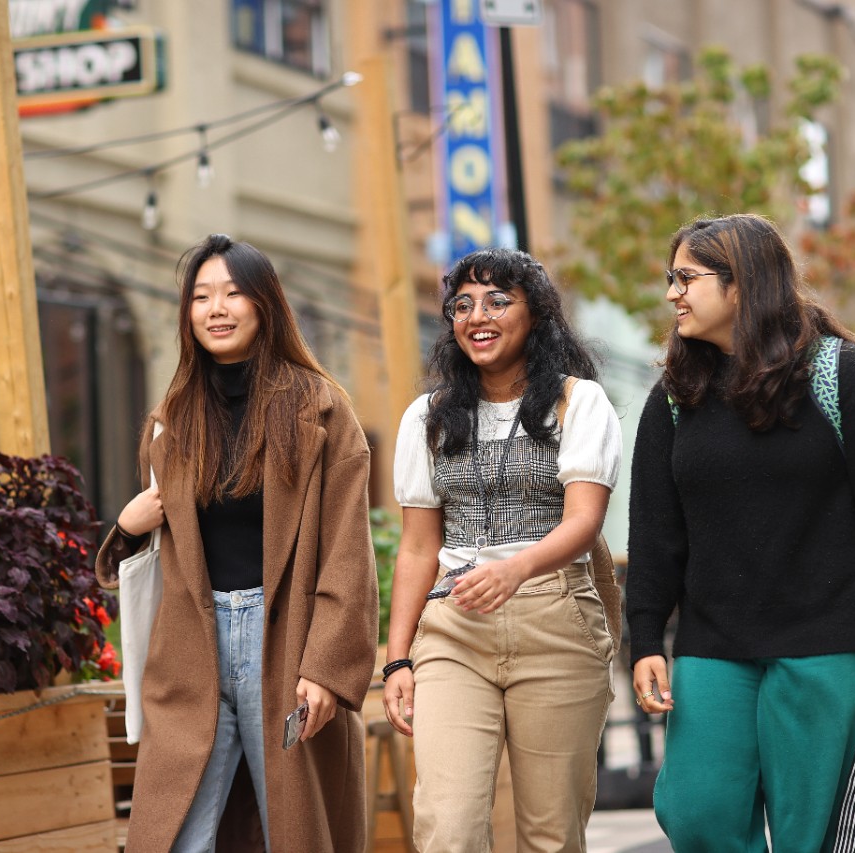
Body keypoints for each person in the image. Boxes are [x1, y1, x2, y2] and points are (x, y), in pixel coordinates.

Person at [95, 234, 378, 853]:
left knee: (291, 830)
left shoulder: (322, 411)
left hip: (288, 641)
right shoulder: (171, 421)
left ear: (264, 305)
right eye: (200, 296)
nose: (215, 308)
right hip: (192, 646)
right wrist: (128, 525)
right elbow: (151, 555)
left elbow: (349, 555)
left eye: (232, 292)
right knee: (176, 834)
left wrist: (326, 668)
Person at [628, 213, 855, 852]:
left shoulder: (844, 378)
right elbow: (655, 530)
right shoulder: (675, 396)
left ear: (743, 284)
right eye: (672, 279)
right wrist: (644, 637)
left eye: (686, 278)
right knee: (697, 811)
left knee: (813, 836)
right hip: (714, 646)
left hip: (831, 642)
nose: (673, 294)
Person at [383, 247, 622, 851]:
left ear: (536, 316)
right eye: (462, 305)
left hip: (556, 620)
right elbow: (415, 549)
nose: (476, 315)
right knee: (449, 827)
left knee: (550, 834)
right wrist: (396, 661)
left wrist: (515, 570)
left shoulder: (579, 403)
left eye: (496, 300)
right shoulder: (427, 419)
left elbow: (584, 521)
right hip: (454, 627)